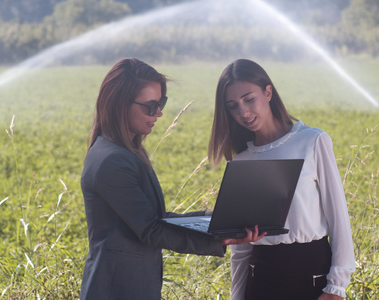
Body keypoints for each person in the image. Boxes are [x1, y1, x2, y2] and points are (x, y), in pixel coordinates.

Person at [80, 58, 264, 300]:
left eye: (161, 103)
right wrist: (221, 238)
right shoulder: (112, 160)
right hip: (117, 289)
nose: (159, 113)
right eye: (150, 105)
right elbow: (151, 230)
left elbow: (153, 220)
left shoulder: (124, 152)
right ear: (119, 105)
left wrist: (209, 218)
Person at [208, 59, 355, 300]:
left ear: (268, 92)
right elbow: (242, 250)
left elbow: (339, 217)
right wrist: (236, 297)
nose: (243, 113)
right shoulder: (242, 162)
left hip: (312, 278)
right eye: (233, 106)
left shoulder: (312, 141)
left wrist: (337, 286)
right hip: (260, 282)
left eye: (249, 99)